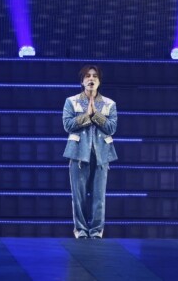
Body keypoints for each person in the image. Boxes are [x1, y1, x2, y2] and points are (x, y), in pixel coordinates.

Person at [62, 65, 118, 239]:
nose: (91, 78)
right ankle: (80, 230)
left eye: (94, 76)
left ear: (99, 81)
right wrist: (87, 115)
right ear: (82, 81)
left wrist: (96, 115)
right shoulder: (71, 101)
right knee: (78, 196)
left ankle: (96, 231)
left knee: (99, 196)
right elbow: (68, 125)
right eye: (87, 76)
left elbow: (111, 128)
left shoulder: (109, 103)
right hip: (78, 153)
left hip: (102, 154)